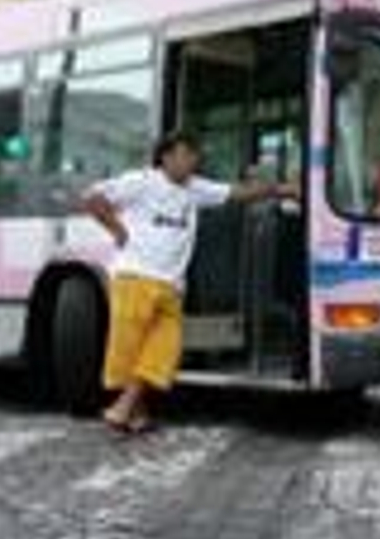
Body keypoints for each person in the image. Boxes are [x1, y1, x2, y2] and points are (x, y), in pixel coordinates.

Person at [82, 130, 298, 435]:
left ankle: (124, 408)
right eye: (186, 154)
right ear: (167, 157)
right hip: (134, 278)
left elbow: (239, 193)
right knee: (129, 353)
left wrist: (281, 190)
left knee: (163, 352)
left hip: (171, 285)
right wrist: (116, 229)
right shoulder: (141, 182)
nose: (192, 161)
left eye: (195, 155)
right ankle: (133, 411)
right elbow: (91, 199)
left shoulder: (195, 189)